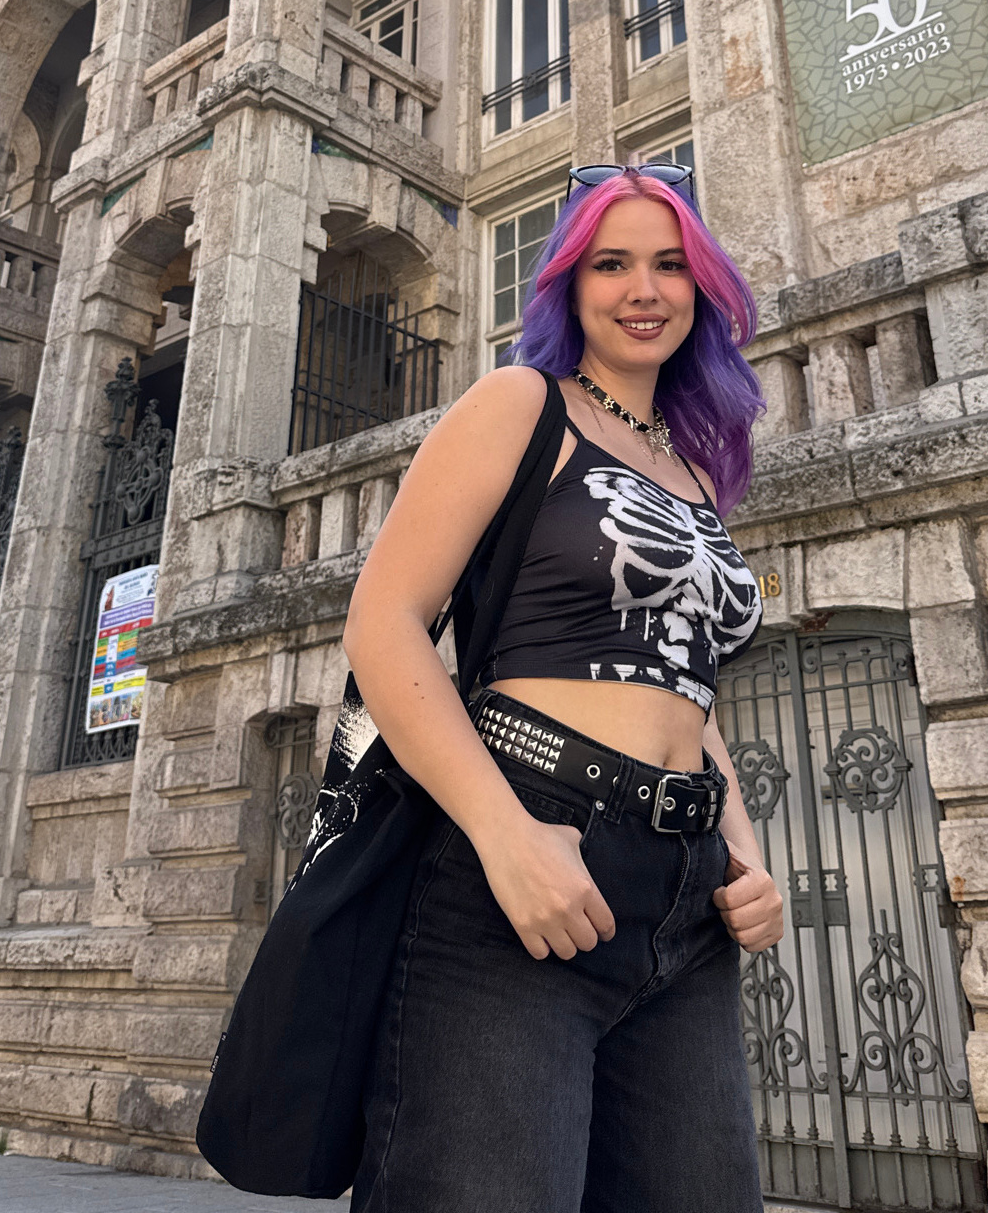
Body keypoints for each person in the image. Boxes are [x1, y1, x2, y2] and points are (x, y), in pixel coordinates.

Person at [343, 163, 783, 1213]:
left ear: (701, 286)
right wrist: (505, 836)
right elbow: (382, 623)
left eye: (670, 264)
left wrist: (743, 845)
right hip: (530, 855)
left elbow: (685, 686)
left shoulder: (692, 470)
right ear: (569, 285)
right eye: (612, 263)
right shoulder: (519, 405)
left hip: (685, 895)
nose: (645, 289)